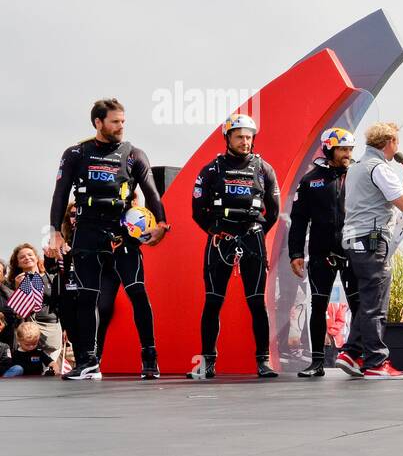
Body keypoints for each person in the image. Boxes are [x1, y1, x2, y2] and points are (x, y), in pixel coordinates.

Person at [49, 98, 169, 380]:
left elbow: (151, 192)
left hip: (122, 233)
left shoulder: (134, 154)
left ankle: (149, 358)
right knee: (87, 297)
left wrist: (162, 223)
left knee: (137, 292)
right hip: (88, 231)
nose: (121, 127)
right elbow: (60, 193)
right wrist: (55, 231)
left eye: (123, 122)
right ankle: (89, 361)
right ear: (98, 123)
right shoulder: (76, 153)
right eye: (115, 122)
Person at [190, 114, 282, 379]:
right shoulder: (211, 169)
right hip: (220, 239)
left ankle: (263, 362)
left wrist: (256, 233)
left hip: (252, 238)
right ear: (227, 138)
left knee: (257, 304)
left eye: (249, 137)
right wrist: (214, 230)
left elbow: (273, 211)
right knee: (212, 302)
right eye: (240, 136)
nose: (245, 141)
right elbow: (198, 210)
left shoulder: (264, 169)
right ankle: (207, 362)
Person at [336, 122, 403, 380]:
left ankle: (350, 352)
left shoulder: (357, 167)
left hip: (354, 239)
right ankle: (376, 362)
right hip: (372, 239)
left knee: (368, 298)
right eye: (396, 142)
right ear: (389, 143)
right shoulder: (379, 168)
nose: (397, 148)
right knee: (376, 303)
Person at [288, 127, 360, 378]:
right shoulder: (310, 180)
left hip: (353, 252)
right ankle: (317, 362)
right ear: (329, 149)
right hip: (321, 252)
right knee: (317, 305)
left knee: (359, 305)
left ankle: (358, 357)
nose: (347, 154)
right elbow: (298, 220)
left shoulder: (359, 174)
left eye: (350, 149)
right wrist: (295, 252)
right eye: (342, 149)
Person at [5, 244, 61, 358]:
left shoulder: (50, 277)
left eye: (30, 255)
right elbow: (16, 311)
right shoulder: (14, 281)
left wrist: (65, 329)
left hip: (51, 329)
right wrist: (17, 288)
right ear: (17, 263)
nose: (27, 258)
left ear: (36, 257)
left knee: (49, 366)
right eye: (22, 257)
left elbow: (60, 304)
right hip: (27, 329)